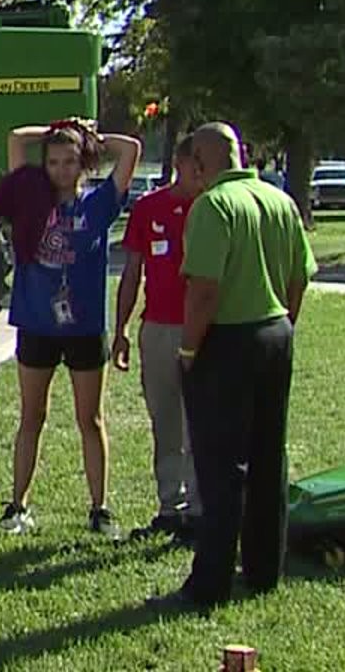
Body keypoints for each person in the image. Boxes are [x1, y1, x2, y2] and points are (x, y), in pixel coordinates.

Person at [150, 122, 315, 615]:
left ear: (200, 163)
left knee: (221, 467)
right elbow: (298, 277)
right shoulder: (279, 201)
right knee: (269, 456)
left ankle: (210, 582)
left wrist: (188, 351)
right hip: (274, 332)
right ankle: (265, 569)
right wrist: (284, 324)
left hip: (227, 339)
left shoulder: (213, 206)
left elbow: (203, 291)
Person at [0, 118, 141, 537]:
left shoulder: (99, 202)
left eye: (70, 161)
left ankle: (100, 508)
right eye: (53, 161)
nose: (61, 170)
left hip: (85, 327)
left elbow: (130, 150)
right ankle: (18, 505)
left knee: (90, 418)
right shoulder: (29, 198)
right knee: (32, 415)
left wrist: (89, 137)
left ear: (83, 164)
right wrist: (58, 128)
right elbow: (16, 138)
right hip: (36, 322)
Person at [113, 135, 204, 544]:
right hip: (159, 328)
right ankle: (170, 507)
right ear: (179, 164)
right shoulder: (150, 208)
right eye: (193, 165)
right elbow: (132, 273)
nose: (199, 174)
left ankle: (201, 510)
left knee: (199, 421)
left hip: (203, 327)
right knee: (164, 419)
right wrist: (121, 330)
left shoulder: (213, 209)